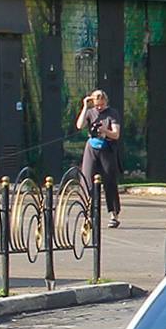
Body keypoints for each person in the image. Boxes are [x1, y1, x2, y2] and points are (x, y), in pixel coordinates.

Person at [75, 89, 122, 227]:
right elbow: (79, 125)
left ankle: (114, 213)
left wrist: (104, 131)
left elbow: (116, 134)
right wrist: (85, 107)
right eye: (97, 105)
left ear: (105, 101)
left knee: (110, 181)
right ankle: (88, 213)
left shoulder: (112, 113)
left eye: (101, 104)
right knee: (87, 180)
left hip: (107, 148)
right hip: (91, 147)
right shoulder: (90, 112)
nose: (99, 107)